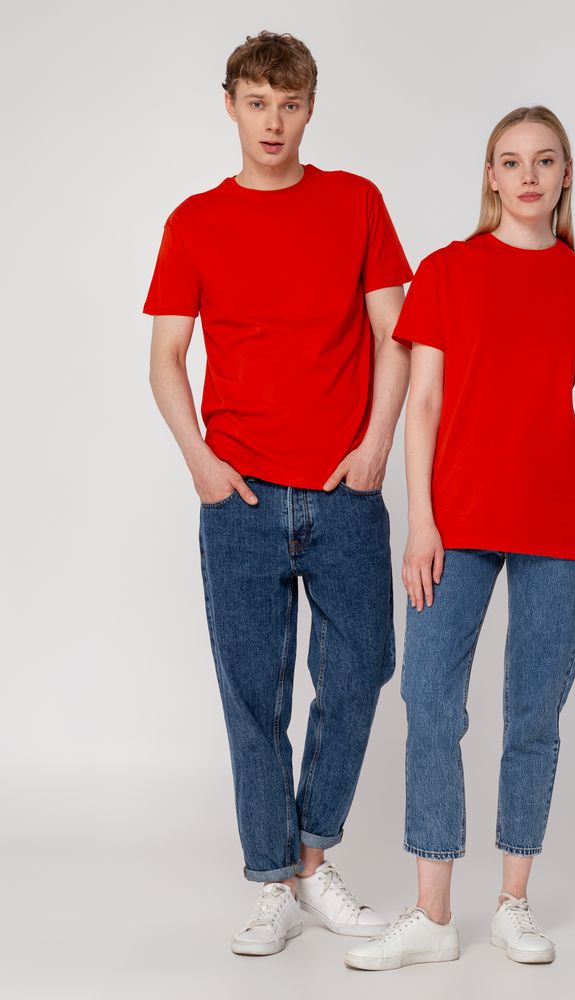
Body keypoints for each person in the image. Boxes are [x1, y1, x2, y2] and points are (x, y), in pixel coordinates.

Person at [344, 105, 575, 971]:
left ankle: (513, 902)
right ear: (491, 176)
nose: (528, 176)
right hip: (459, 519)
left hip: (560, 523)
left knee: (533, 715)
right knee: (430, 702)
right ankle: (433, 914)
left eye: (544, 161)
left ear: (566, 174)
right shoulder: (447, 271)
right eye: (511, 161)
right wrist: (421, 520)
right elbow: (423, 403)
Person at [142, 31, 413, 957]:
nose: (273, 122)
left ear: (310, 108)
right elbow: (166, 356)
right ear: (230, 105)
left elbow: (395, 334)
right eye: (257, 103)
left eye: (289, 105)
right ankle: (275, 883)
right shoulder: (195, 221)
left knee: (363, 669)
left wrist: (377, 444)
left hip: (343, 490)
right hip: (241, 498)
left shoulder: (356, 202)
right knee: (252, 696)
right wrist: (199, 461)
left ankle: (309, 856)